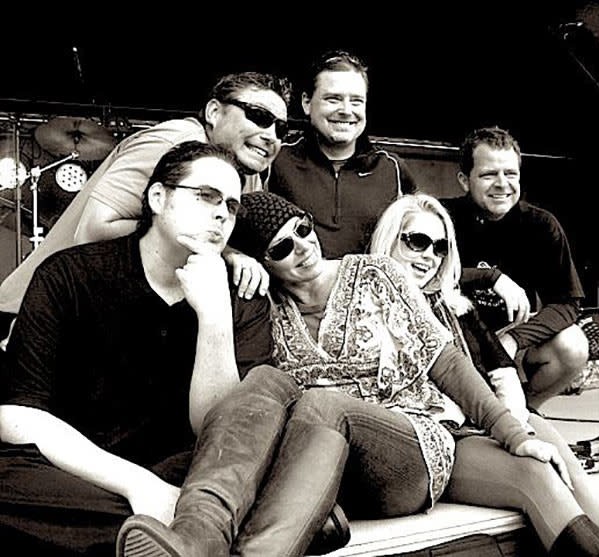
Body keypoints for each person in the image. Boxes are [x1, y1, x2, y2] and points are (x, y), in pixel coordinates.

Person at [231, 191, 599, 555]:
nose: (303, 247)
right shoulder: (264, 312)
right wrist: (230, 256)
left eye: (303, 229)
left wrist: (514, 433)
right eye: (282, 247)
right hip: (332, 472)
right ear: (261, 262)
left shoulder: (375, 275)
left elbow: (449, 362)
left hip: (410, 448)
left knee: (538, 464)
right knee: (315, 407)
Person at [0, 142, 345, 557]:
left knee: (248, 475)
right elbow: (18, 415)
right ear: (158, 198)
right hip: (79, 466)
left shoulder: (243, 296)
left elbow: (224, 435)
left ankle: (185, 535)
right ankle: (210, 533)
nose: (222, 213)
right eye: (206, 196)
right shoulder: (70, 275)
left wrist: (214, 317)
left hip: (189, 472)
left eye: (231, 206)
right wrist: (138, 486)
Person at [370, 193, 599, 555]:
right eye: (416, 241)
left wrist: (516, 424)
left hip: (481, 421)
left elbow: (500, 368)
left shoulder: (453, 305)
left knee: (567, 466)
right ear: (390, 239)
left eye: (440, 247)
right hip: (434, 439)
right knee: (536, 472)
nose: (429, 255)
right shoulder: (362, 305)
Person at [0, 71, 292, 332]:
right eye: (259, 116)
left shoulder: (246, 174)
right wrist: (224, 252)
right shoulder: (176, 142)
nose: (271, 136)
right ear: (214, 112)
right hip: (31, 315)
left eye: (281, 129)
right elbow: (93, 230)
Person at [441, 126, 590, 409]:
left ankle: (525, 410)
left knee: (573, 345)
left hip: (510, 338)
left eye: (510, 174)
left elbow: (567, 303)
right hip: (455, 340)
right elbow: (415, 276)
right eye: (488, 175)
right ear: (464, 181)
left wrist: (512, 339)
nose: (502, 184)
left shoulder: (541, 225)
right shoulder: (441, 218)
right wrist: (489, 277)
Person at [266, 49, 418, 258]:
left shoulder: (392, 168)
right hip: (290, 279)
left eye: (356, 101)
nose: (346, 110)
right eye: (333, 99)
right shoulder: (276, 157)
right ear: (306, 103)